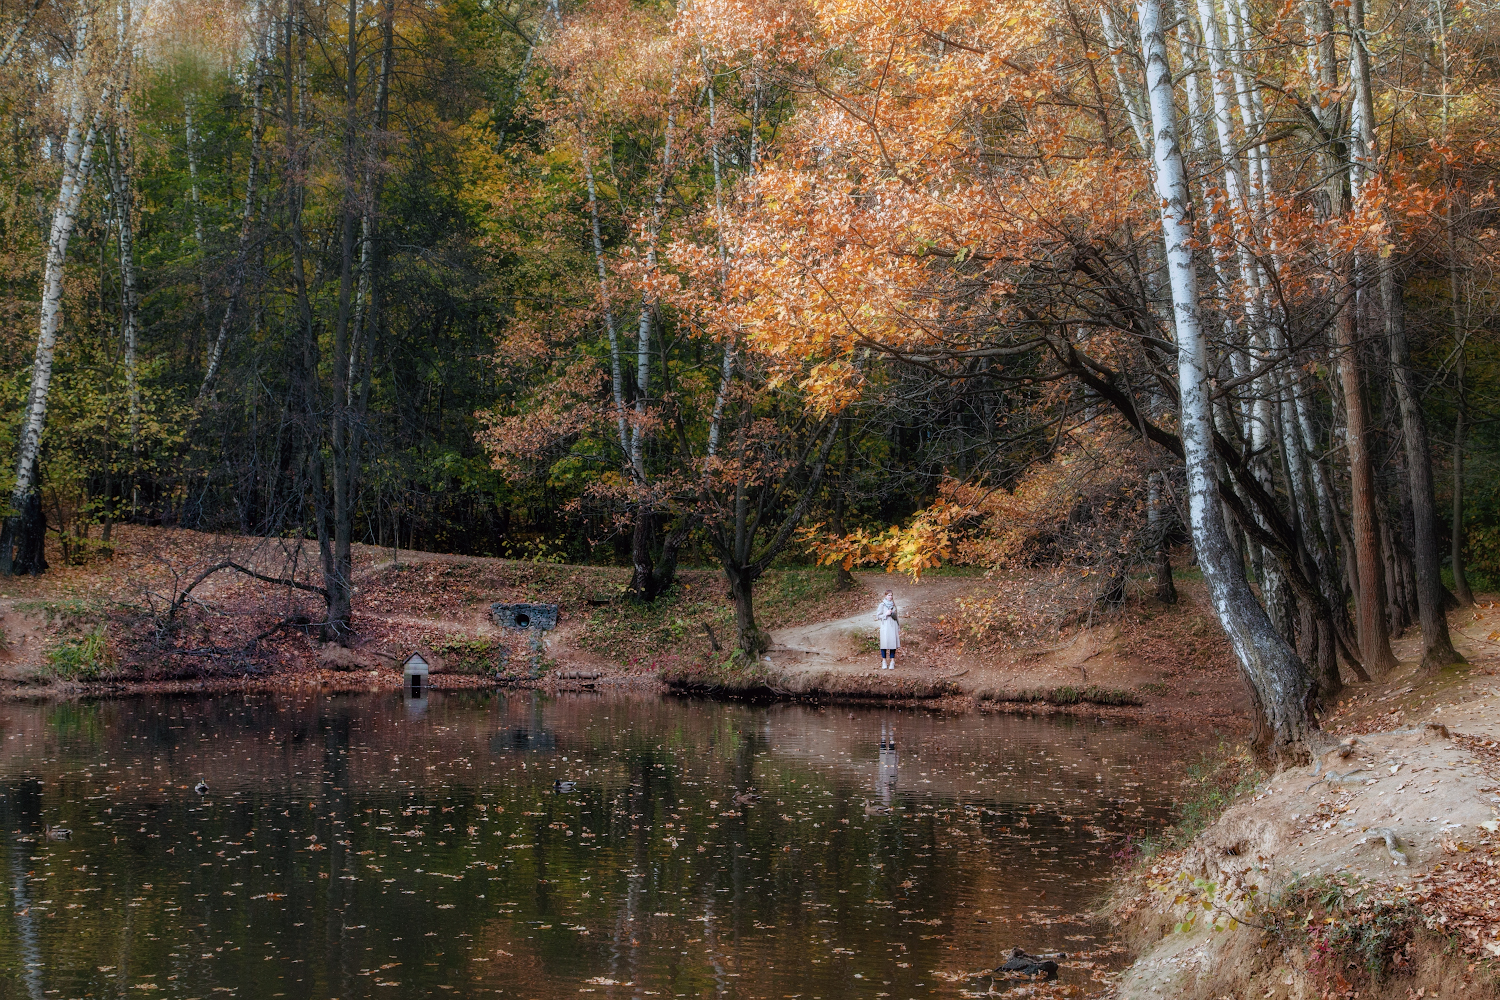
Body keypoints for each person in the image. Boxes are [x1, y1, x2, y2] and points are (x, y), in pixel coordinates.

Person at [874, 591, 900, 669]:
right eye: (888, 595)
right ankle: (884, 661)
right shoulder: (882, 605)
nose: (890, 597)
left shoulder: (894, 605)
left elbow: (897, 617)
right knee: (884, 644)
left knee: (893, 643)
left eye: (891, 595)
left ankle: (892, 661)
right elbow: (878, 616)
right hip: (885, 626)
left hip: (893, 626)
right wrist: (886, 614)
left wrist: (898, 627)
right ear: (885, 596)